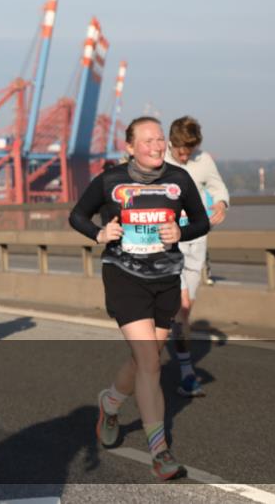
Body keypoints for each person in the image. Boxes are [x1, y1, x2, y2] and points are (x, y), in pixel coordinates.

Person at [69, 116, 209, 481]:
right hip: (123, 276)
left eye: (160, 140)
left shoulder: (179, 180)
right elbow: (77, 215)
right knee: (150, 361)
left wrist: (180, 231)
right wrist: (100, 233)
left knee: (146, 356)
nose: (157, 146)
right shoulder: (110, 180)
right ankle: (160, 453)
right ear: (129, 147)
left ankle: (110, 402)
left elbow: (201, 221)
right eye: (147, 141)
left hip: (166, 279)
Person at [165, 116, 230, 397]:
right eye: (180, 149)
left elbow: (217, 187)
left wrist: (222, 203)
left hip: (196, 241)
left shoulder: (203, 161)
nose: (184, 155)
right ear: (171, 142)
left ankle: (180, 364)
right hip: (167, 241)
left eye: (188, 151)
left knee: (185, 310)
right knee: (181, 307)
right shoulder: (160, 159)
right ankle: (187, 373)